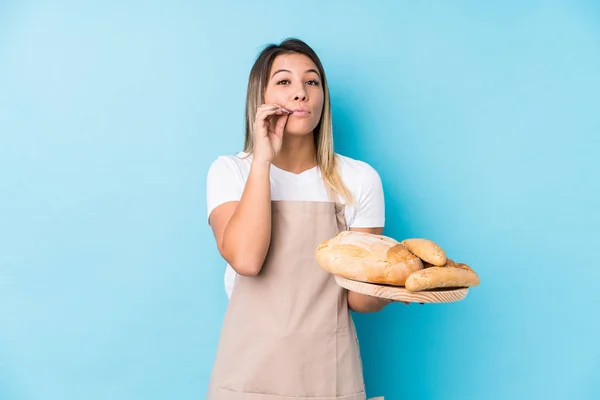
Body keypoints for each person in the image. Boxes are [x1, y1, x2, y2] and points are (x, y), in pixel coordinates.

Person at [205, 38, 391, 400]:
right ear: (259, 96)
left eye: (312, 81)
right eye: (284, 82)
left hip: (330, 373)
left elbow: (358, 300)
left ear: (323, 97)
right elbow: (246, 259)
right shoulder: (231, 172)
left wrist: (399, 288)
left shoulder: (359, 179)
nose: (301, 93)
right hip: (247, 373)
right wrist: (262, 160)